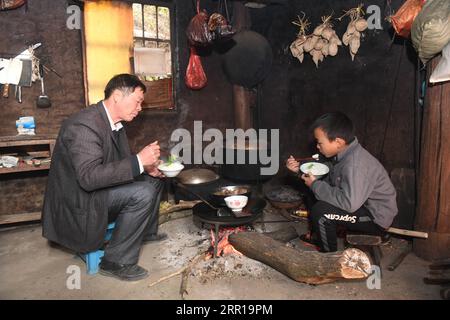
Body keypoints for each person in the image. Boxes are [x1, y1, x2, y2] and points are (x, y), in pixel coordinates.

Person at [42, 74, 167, 281]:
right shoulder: (83, 125)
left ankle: (145, 232)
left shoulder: (114, 124)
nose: (139, 108)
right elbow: (89, 178)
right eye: (137, 102)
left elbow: (116, 164)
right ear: (117, 96)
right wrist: (138, 161)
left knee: (154, 179)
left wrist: (146, 167)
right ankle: (115, 261)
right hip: (80, 201)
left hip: (96, 191)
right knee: (143, 192)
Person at [286, 112, 398, 252]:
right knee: (313, 192)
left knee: (321, 213)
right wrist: (299, 172)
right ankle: (318, 235)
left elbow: (349, 203)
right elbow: (330, 183)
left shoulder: (355, 165)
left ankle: (329, 259)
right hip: (359, 203)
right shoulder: (343, 154)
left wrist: (315, 185)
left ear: (338, 142)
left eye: (320, 143)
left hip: (374, 218)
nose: (317, 147)